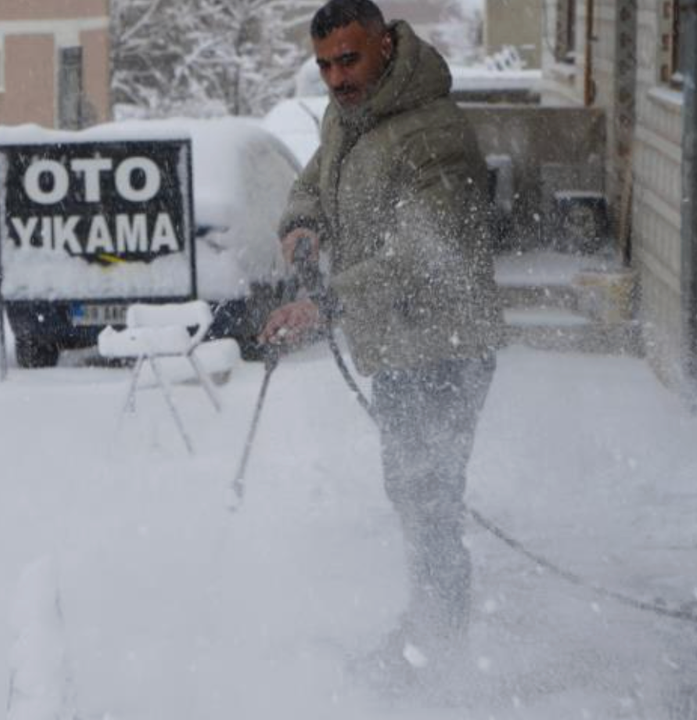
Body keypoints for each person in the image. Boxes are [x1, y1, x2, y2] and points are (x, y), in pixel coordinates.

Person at [259, 0, 503, 675]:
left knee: (429, 504)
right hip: (399, 346)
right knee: (414, 497)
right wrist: (303, 224)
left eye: (349, 59)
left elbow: (427, 252)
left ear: (386, 47)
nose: (336, 78)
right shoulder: (352, 114)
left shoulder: (433, 135)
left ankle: (438, 656)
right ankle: (429, 636)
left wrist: (328, 302)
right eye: (325, 65)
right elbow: (318, 178)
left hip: (446, 348)